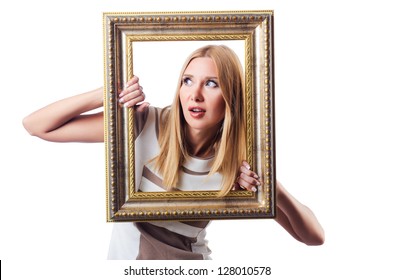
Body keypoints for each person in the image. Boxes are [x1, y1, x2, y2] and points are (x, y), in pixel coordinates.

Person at [23, 45, 324, 260]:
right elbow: (36, 126)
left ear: (230, 96)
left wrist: (271, 186)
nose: (195, 94)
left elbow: (314, 237)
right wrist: (108, 94)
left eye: (212, 84)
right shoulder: (143, 123)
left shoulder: (238, 161)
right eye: (187, 80)